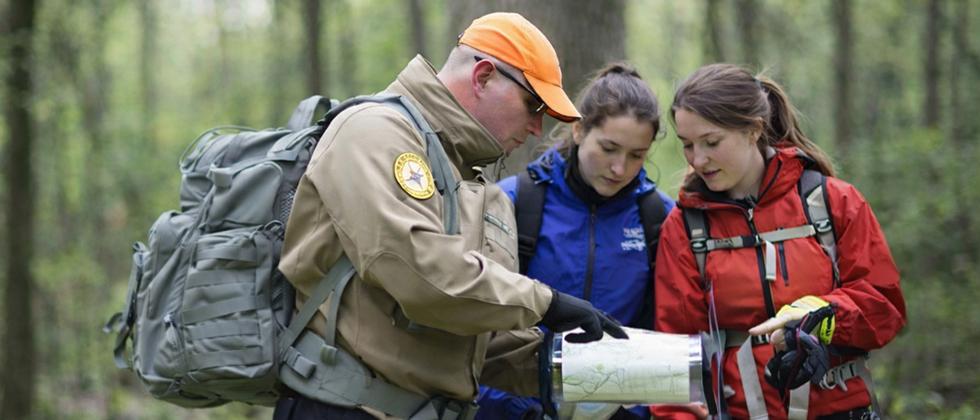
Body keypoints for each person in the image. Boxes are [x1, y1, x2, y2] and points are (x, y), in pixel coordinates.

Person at [274, 12, 627, 420]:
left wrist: (589, 372)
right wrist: (546, 303)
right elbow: (418, 273)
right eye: (533, 105)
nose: (536, 128)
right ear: (483, 76)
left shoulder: (473, 183)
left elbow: (471, 335)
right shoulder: (375, 132)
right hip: (342, 409)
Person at [651, 63, 906, 419]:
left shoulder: (833, 203)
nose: (698, 159)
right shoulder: (684, 227)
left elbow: (885, 308)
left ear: (754, 129)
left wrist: (821, 316)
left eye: (711, 142)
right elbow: (675, 355)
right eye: (687, 145)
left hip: (838, 408)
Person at [476, 63, 675, 420]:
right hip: (517, 407)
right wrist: (526, 410)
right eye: (609, 148)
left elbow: (670, 330)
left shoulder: (659, 217)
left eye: (636, 156)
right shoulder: (512, 202)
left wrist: (637, 412)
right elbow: (479, 327)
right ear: (579, 129)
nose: (620, 168)